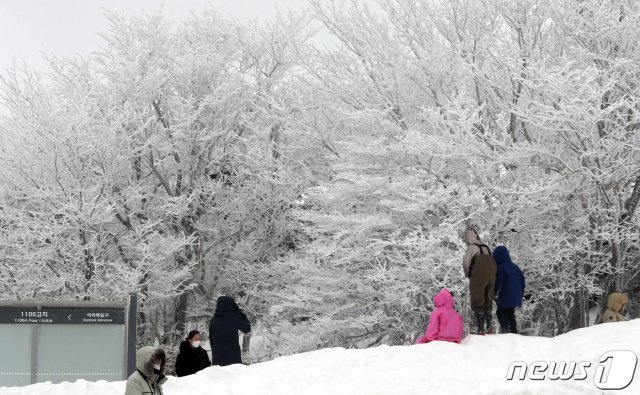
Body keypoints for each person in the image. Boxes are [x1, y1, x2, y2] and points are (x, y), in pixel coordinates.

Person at [462, 228, 497, 334]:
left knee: (478, 299)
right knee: (488, 298)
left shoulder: (471, 248)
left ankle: (481, 328)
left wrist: (468, 274)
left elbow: (466, 263)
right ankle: (490, 327)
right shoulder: (486, 247)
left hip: (478, 275)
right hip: (491, 275)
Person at [208, 295, 251, 366]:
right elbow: (247, 329)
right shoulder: (234, 319)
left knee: (219, 376)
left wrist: (215, 351)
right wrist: (242, 315)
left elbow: (211, 339)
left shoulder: (213, 320)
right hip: (233, 357)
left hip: (217, 358)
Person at [492, 245, 525, 334]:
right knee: (510, 313)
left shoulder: (500, 268)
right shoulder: (516, 267)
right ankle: (514, 332)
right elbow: (522, 282)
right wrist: (521, 295)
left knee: (500, 312)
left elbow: (499, 283)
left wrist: (494, 294)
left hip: (505, 295)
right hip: (516, 296)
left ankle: (507, 330)